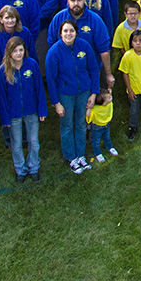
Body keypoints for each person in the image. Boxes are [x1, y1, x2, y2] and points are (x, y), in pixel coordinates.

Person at [46, 20, 100, 173]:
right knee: (67, 125)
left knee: (81, 124)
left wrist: (94, 93)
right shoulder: (54, 52)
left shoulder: (84, 46)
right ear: (60, 33)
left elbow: (94, 70)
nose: (68, 34)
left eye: (71, 31)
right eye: (65, 31)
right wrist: (56, 103)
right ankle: (71, 157)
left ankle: (81, 154)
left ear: (76, 32)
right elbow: (51, 80)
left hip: (84, 92)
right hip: (65, 95)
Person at [0, 35, 47, 182]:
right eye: (15, 51)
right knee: (16, 144)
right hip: (14, 115)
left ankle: (34, 167)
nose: (18, 53)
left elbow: (39, 89)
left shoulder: (32, 65)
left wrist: (42, 110)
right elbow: (2, 98)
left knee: (34, 142)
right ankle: (21, 170)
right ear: (9, 52)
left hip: (32, 112)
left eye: (21, 50)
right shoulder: (3, 71)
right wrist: (5, 118)